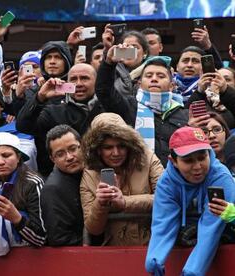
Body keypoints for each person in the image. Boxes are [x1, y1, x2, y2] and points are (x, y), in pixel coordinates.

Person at [145, 126, 235, 276]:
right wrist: (154, 259)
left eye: (202, 158)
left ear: (209, 153)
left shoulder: (221, 177)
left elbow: (210, 228)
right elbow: (163, 223)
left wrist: (192, 272)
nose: (197, 167)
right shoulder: (166, 182)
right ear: (173, 161)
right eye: (188, 161)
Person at [81, 113, 163, 246]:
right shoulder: (90, 173)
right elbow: (93, 229)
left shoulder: (147, 159)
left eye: (121, 146)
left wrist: (125, 202)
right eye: (108, 147)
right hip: (114, 250)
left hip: (152, 244)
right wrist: (100, 204)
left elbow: (167, 197)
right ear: (98, 150)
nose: (116, 153)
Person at [96, 55, 188, 167]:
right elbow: (104, 92)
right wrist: (108, 63)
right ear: (139, 84)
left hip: (174, 178)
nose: (154, 79)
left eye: (161, 76)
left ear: (171, 86)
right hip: (137, 177)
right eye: (148, 76)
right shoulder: (128, 106)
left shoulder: (183, 114)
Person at [17, 63, 104, 175]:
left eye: (84, 78)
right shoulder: (54, 112)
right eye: (73, 79)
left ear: (96, 81)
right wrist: (39, 98)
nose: (78, 84)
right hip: (66, 180)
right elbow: (23, 126)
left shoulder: (108, 107)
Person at [0, 132, 45, 256]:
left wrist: (17, 219)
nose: (0, 162)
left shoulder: (33, 183)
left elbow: (41, 239)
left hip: (31, 259)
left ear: (19, 156)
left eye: (6, 155)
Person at [41, 125, 84, 246]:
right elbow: (60, 238)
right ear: (52, 159)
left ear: (83, 146)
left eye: (73, 149)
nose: (69, 157)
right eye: (60, 154)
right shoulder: (53, 190)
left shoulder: (95, 171)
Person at [101, 27, 150, 96]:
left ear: (145, 53)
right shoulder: (112, 71)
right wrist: (107, 48)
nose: (130, 50)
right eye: (126, 47)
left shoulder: (153, 72)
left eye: (135, 47)